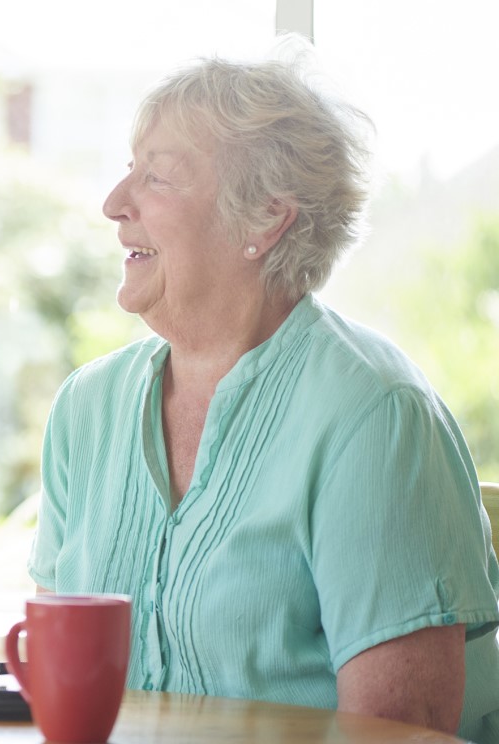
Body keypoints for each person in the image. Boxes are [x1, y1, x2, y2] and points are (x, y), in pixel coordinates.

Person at [27, 53, 499, 741]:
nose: (113, 203)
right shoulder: (86, 408)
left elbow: (398, 734)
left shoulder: (374, 417)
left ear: (266, 218)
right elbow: (61, 694)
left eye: (155, 176)